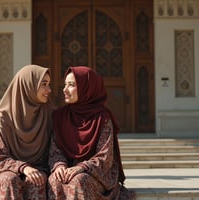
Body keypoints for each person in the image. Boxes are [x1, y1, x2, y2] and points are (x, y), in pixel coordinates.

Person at [48, 66, 135, 200]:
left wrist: (81, 167)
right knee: (54, 180)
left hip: (95, 174)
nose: (64, 90)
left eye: (71, 85)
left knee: (79, 181)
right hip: (67, 169)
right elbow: (55, 148)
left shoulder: (102, 118)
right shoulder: (60, 116)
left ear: (86, 88)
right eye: (65, 84)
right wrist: (59, 165)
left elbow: (105, 156)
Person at [0, 64, 53, 200]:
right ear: (28, 85)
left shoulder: (49, 113)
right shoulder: (3, 119)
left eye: (49, 84)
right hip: (6, 170)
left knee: (37, 181)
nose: (49, 90)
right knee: (8, 180)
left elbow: (54, 150)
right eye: (43, 84)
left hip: (39, 168)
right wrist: (23, 167)